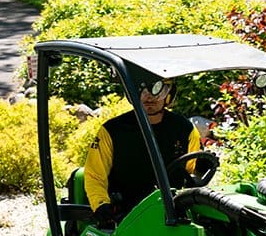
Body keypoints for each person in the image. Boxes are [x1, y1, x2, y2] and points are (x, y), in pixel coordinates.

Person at [84, 78, 201, 228]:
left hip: (173, 213)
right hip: (125, 215)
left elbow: (191, 173)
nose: (149, 97)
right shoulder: (112, 130)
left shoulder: (185, 129)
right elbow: (95, 175)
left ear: (169, 94)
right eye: (142, 90)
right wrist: (101, 205)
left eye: (158, 90)